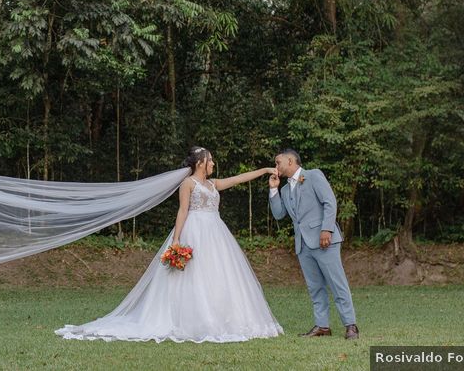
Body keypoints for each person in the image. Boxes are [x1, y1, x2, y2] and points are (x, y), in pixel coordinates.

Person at [56, 147, 283, 343]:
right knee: (193, 276)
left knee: (218, 275)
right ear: (201, 162)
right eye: (211, 159)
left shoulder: (214, 184)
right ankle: (192, 319)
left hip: (216, 233)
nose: (214, 163)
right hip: (194, 231)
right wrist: (176, 240)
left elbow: (238, 179)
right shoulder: (188, 183)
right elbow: (183, 210)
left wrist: (264, 170)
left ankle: (220, 318)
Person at [268, 149, 359, 340]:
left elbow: (329, 202)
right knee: (315, 287)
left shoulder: (313, 175)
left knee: (337, 283)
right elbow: (278, 214)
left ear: (291, 161)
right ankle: (322, 326)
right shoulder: (284, 189)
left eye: (278, 162)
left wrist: (327, 229)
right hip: (303, 245)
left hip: (324, 240)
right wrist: (273, 189)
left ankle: (351, 325)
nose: (276, 167)